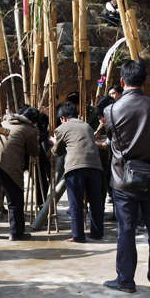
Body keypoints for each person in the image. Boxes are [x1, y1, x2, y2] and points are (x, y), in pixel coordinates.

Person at [101, 59, 150, 293]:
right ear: (146, 81)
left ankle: (126, 280)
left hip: (123, 180)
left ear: (122, 81)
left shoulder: (110, 110)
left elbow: (112, 140)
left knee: (126, 230)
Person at [0, 107, 40, 240]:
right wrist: (36, 138)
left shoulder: (5, 121)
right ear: (34, 121)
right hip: (6, 161)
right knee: (15, 197)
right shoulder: (28, 128)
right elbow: (34, 152)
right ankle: (16, 232)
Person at [51, 102, 104, 243]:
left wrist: (54, 142)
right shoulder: (86, 125)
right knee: (95, 201)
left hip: (75, 167)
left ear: (63, 118)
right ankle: (97, 232)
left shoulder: (61, 128)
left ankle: (78, 235)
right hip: (95, 166)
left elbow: (57, 152)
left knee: (76, 202)